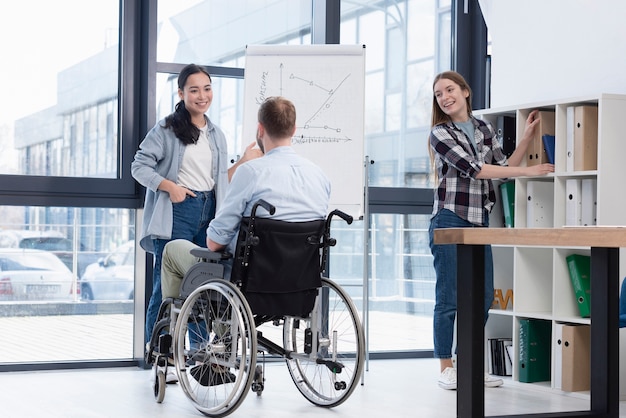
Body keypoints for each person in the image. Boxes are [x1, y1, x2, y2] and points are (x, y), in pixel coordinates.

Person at [427, 71, 554, 390]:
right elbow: (475, 170)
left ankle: (468, 363)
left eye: (450, 89)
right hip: (450, 219)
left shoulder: (483, 128)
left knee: (483, 297)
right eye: (439, 94)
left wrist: (525, 138)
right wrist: (529, 169)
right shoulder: (440, 133)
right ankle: (446, 366)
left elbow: (502, 168)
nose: (444, 97)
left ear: (466, 92)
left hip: (479, 221)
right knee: (449, 297)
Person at [131, 63, 260, 354]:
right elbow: (138, 166)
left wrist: (242, 162)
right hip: (179, 212)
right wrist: (169, 186)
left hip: (210, 211)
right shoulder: (166, 129)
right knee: (167, 289)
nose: (202, 96)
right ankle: (160, 353)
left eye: (207, 88)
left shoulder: (217, 134)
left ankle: (198, 355)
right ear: (181, 93)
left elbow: (219, 182)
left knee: (201, 287)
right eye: (194, 90)